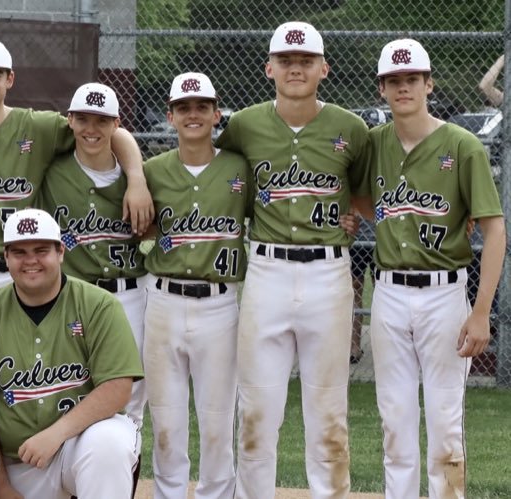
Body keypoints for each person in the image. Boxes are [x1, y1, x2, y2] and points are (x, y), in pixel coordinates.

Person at [214, 21, 370, 498]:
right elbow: (217, 174)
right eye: (285, 60)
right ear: (269, 68)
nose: (295, 68)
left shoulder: (350, 128)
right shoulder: (244, 126)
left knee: (328, 407)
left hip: (328, 273)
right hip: (266, 271)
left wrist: (354, 217)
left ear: (324, 67)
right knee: (258, 405)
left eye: (305, 61)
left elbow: (364, 196)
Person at [367, 39, 505, 499]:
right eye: (394, 80)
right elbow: (360, 198)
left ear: (429, 83)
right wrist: (366, 216)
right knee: (395, 423)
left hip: (445, 294)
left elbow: (495, 230)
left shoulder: (462, 146)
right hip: (387, 295)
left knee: (445, 426)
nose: (403, 87)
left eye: (412, 79)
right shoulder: (374, 144)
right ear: (382, 88)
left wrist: (482, 309)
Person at [0, 38, 151, 309]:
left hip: (21, 272)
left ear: (10, 79)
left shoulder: (37, 126)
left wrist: (136, 180)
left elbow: (110, 132)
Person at [0, 208, 144, 499]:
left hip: (78, 451)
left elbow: (118, 388)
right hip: (18, 463)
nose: (31, 260)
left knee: (112, 440)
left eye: (41, 250)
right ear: (6, 257)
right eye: (19, 252)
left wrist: (57, 433)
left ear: (61, 252)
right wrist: (1, 487)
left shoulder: (99, 306)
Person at [143, 72, 248, 499]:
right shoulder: (151, 171)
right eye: (183, 108)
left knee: (218, 418)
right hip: (163, 299)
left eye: (201, 107)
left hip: (220, 304)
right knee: (166, 420)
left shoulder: (239, 168)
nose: (193, 114)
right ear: (170, 116)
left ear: (216, 113)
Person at [37, 83, 149, 436]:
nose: (90, 129)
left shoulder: (141, 180)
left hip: (130, 293)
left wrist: (137, 179)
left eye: (101, 121)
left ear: (117, 124)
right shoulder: (51, 171)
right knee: (70, 393)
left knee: (130, 403)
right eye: (82, 118)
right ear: (69, 120)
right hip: (74, 295)